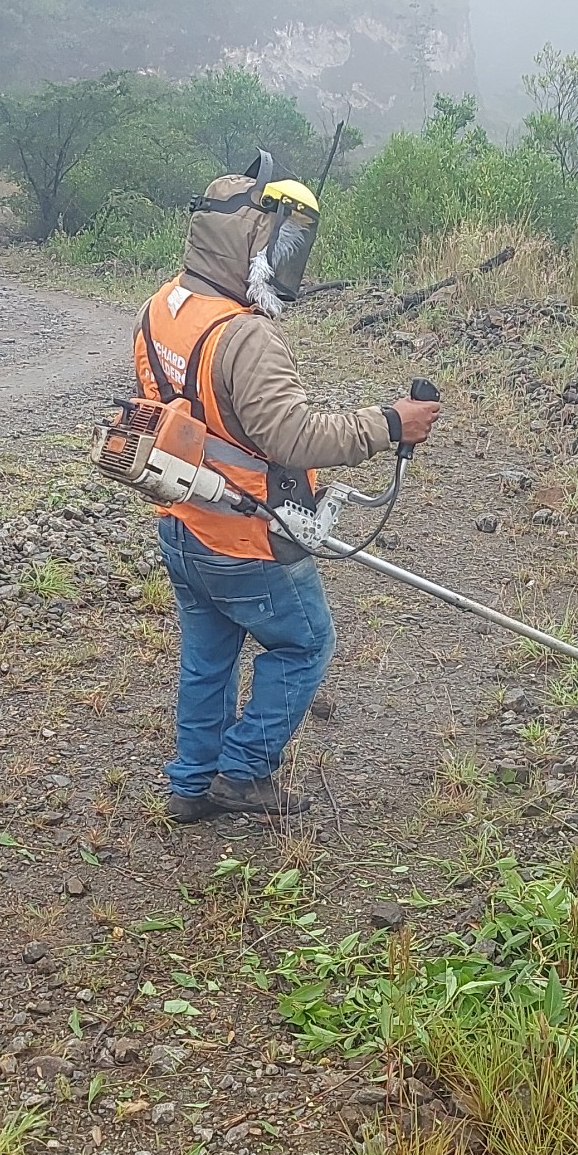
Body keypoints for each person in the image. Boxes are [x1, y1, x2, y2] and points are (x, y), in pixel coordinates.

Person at [133, 155, 443, 820]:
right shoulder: (245, 337)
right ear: (247, 242)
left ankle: (192, 782)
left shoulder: (163, 307)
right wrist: (391, 423)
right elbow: (293, 437)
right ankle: (243, 772)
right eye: (278, 243)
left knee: (208, 656)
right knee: (304, 644)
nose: (283, 261)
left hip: (181, 525)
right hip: (246, 539)